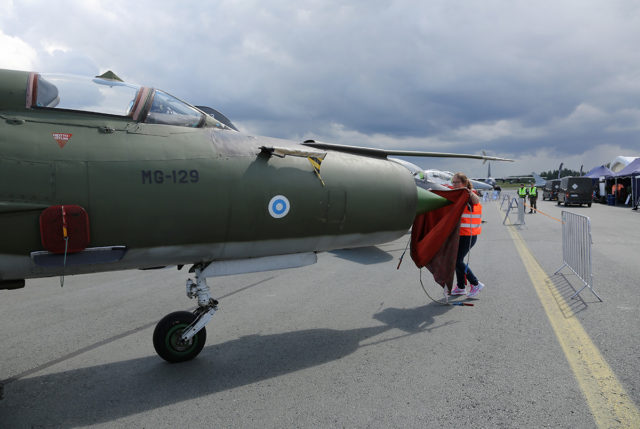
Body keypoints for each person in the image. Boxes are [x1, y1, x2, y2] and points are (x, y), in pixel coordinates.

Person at [450, 173, 485, 297]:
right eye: (453, 182)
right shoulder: (455, 194)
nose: (454, 185)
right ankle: (460, 287)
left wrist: (468, 191)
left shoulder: (469, 194)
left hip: (468, 235)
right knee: (457, 261)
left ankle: (475, 284)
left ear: (464, 183)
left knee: (457, 260)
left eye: (457, 182)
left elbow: (476, 200)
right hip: (459, 235)